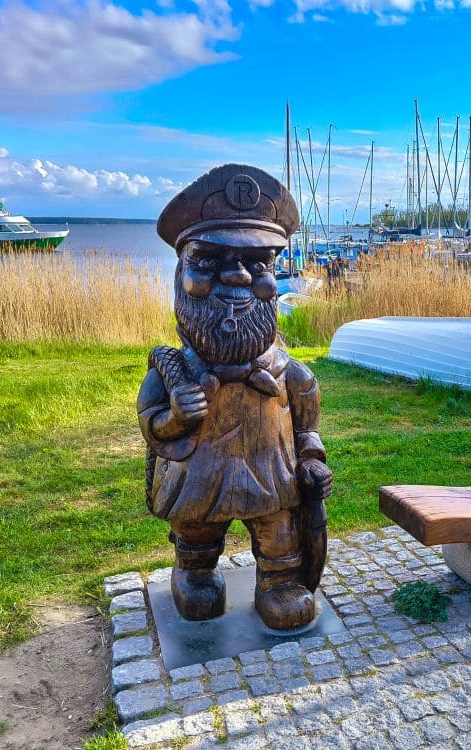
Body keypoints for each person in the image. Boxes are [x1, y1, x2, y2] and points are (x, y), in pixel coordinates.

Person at [139, 164, 333, 629]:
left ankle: (279, 579)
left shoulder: (292, 375)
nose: (240, 278)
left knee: (279, 533)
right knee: (196, 531)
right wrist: (174, 419)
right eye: (210, 262)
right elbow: (151, 420)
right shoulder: (171, 369)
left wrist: (311, 459)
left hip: (272, 475)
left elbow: (307, 426)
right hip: (198, 479)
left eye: (258, 263)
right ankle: (195, 569)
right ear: (181, 271)